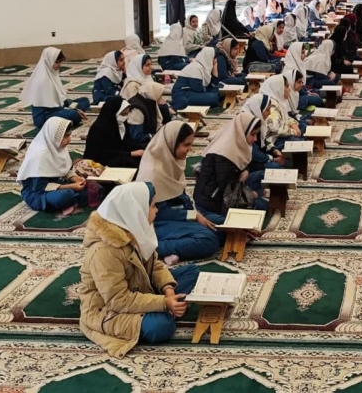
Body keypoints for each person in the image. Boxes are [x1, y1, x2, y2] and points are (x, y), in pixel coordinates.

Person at [78, 182, 200, 358]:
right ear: (135, 210)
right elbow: (118, 300)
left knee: (192, 272)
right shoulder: (104, 251)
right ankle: (167, 311)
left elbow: (155, 264)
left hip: (140, 288)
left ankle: (168, 308)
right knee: (161, 327)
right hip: (108, 310)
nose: (157, 210)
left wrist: (168, 290)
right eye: (152, 206)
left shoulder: (134, 229)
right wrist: (164, 303)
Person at [137, 122, 220, 264]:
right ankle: (152, 248)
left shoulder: (172, 161)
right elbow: (159, 213)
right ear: (172, 143)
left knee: (222, 226)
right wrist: (193, 216)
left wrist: (195, 215)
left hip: (179, 214)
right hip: (159, 222)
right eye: (186, 145)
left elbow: (180, 196)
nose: (190, 149)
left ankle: (179, 246)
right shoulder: (153, 173)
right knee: (208, 240)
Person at [193, 113, 267, 224]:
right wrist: (251, 195)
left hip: (232, 187)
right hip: (213, 201)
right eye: (253, 134)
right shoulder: (224, 155)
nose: (255, 139)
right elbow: (228, 191)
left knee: (261, 176)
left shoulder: (235, 142)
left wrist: (246, 171)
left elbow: (242, 166)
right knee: (261, 206)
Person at [17, 117, 88, 214]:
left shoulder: (57, 146)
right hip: (38, 193)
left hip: (59, 183)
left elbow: (64, 170)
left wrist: (75, 178)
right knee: (64, 196)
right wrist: (71, 186)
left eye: (69, 135)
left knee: (93, 187)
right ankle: (72, 201)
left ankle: (71, 202)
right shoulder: (40, 155)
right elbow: (41, 188)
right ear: (55, 136)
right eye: (66, 136)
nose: (69, 140)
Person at [21, 47, 89, 128]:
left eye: (60, 62)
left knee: (84, 101)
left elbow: (60, 98)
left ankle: (73, 114)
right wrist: (72, 110)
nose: (59, 65)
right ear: (48, 61)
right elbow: (51, 107)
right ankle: (73, 115)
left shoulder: (52, 73)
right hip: (45, 116)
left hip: (59, 108)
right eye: (56, 62)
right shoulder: (42, 80)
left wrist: (74, 108)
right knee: (73, 115)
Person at [83, 97, 144, 169]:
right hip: (100, 160)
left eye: (127, 114)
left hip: (118, 155)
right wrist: (130, 154)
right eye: (123, 114)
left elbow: (127, 144)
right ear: (114, 112)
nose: (125, 117)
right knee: (130, 162)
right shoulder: (100, 128)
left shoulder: (121, 124)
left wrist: (142, 149)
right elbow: (103, 154)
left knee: (142, 157)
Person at [260, 73, 303, 150]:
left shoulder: (277, 100)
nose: (289, 89)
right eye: (287, 86)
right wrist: (293, 131)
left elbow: (284, 117)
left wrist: (293, 124)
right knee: (299, 143)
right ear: (279, 89)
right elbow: (276, 127)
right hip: (273, 140)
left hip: (280, 134)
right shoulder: (271, 105)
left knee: (302, 127)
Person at [283, 42, 322, 109]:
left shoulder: (298, 64)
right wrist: (307, 94)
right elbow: (295, 89)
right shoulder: (290, 68)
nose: (305, 55)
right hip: (292, 99)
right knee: (318, 99)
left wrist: (307, 93)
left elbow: (301, 85)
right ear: (296, 54)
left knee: (318, 94)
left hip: (299, 93)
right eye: (303, 53)